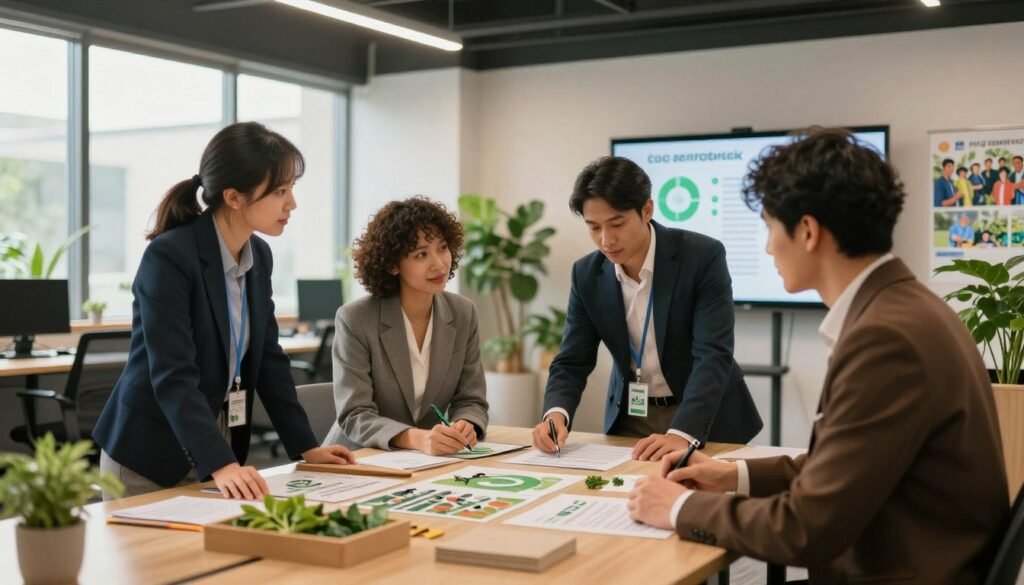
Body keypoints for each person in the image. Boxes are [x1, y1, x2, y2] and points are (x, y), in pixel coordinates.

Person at [627, 128, 1008, 583]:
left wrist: (680, 506)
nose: (768, 246)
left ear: (808, 231)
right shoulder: (905, 309)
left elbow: (806, 529)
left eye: (769, 227)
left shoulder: (886, 340)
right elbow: (840, 465)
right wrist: (732, 475)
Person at [93, 122, 355, 501]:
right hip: (149, 454)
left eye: (291, 189)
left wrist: (307, 447)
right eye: (280, 191)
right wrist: (220, 462)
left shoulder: (258, 256)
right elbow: (172, 374)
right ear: (234, 197)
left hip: (218, 449)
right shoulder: (170, 257)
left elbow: (268, 360)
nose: (291, 204)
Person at [532, 156, 762, 462]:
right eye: (593, 227)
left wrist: (682, 433)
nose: (606, 240)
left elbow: (713, 354)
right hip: (630, 420)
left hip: (702, 418)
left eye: (617, 223)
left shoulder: (702, 257)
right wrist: (556, 413)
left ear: (647, 210)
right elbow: (572, 360)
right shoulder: (587, 274)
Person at [322, 197, 488, 455]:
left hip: (425, 460)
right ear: (392, 264)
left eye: (442, 248)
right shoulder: (355, 319)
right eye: (421, 254)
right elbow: (355, 414)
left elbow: (471, 399)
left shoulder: (463, 313)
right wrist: (417, 439)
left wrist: (467, 423)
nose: (439, 263)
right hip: (358, 457)